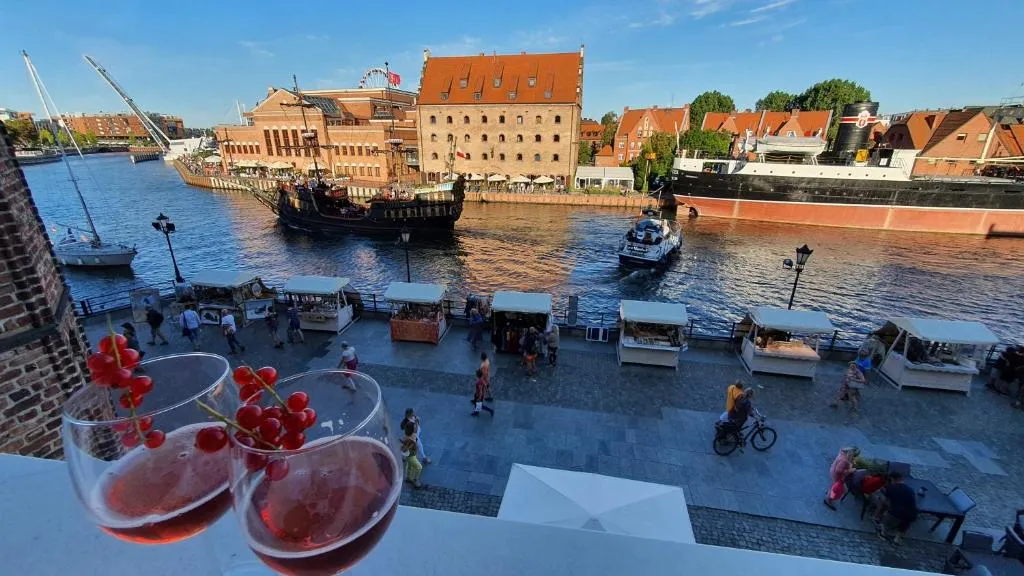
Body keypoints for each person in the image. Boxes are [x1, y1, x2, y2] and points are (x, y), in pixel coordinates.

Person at [874, 472, 918, 545]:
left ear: (891, 479)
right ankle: (897, 539)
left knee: (887, 519)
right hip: (911, 514)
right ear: (901, 479)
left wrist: (879, 514)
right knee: (906, 519)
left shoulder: (891, 488)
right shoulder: (910, 490)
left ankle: (883, 533)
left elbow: (885, 503)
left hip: (896, 514)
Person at [823, 446, 860, 511]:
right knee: (838, 489)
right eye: (855, 456)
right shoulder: (844, 461)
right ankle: (829, 500)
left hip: (833, 471)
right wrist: (850, 470)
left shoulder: (843, 453)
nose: (855, 458)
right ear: (852, 455)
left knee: (835, 486)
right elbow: (839, 470)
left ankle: (830, 493)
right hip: (838, 476)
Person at [401, 421, 424, 489]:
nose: (416, 428)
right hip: (410, 456)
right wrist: (408, 446)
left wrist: (417, 422)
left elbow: (417, 429)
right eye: (414, 427)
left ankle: (408, 477)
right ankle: (415, 479)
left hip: (412, 454)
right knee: (419, 467)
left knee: (410, 466)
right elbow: (404, 448)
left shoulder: (413, 434)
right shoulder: (408, 438)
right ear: (411, 429)